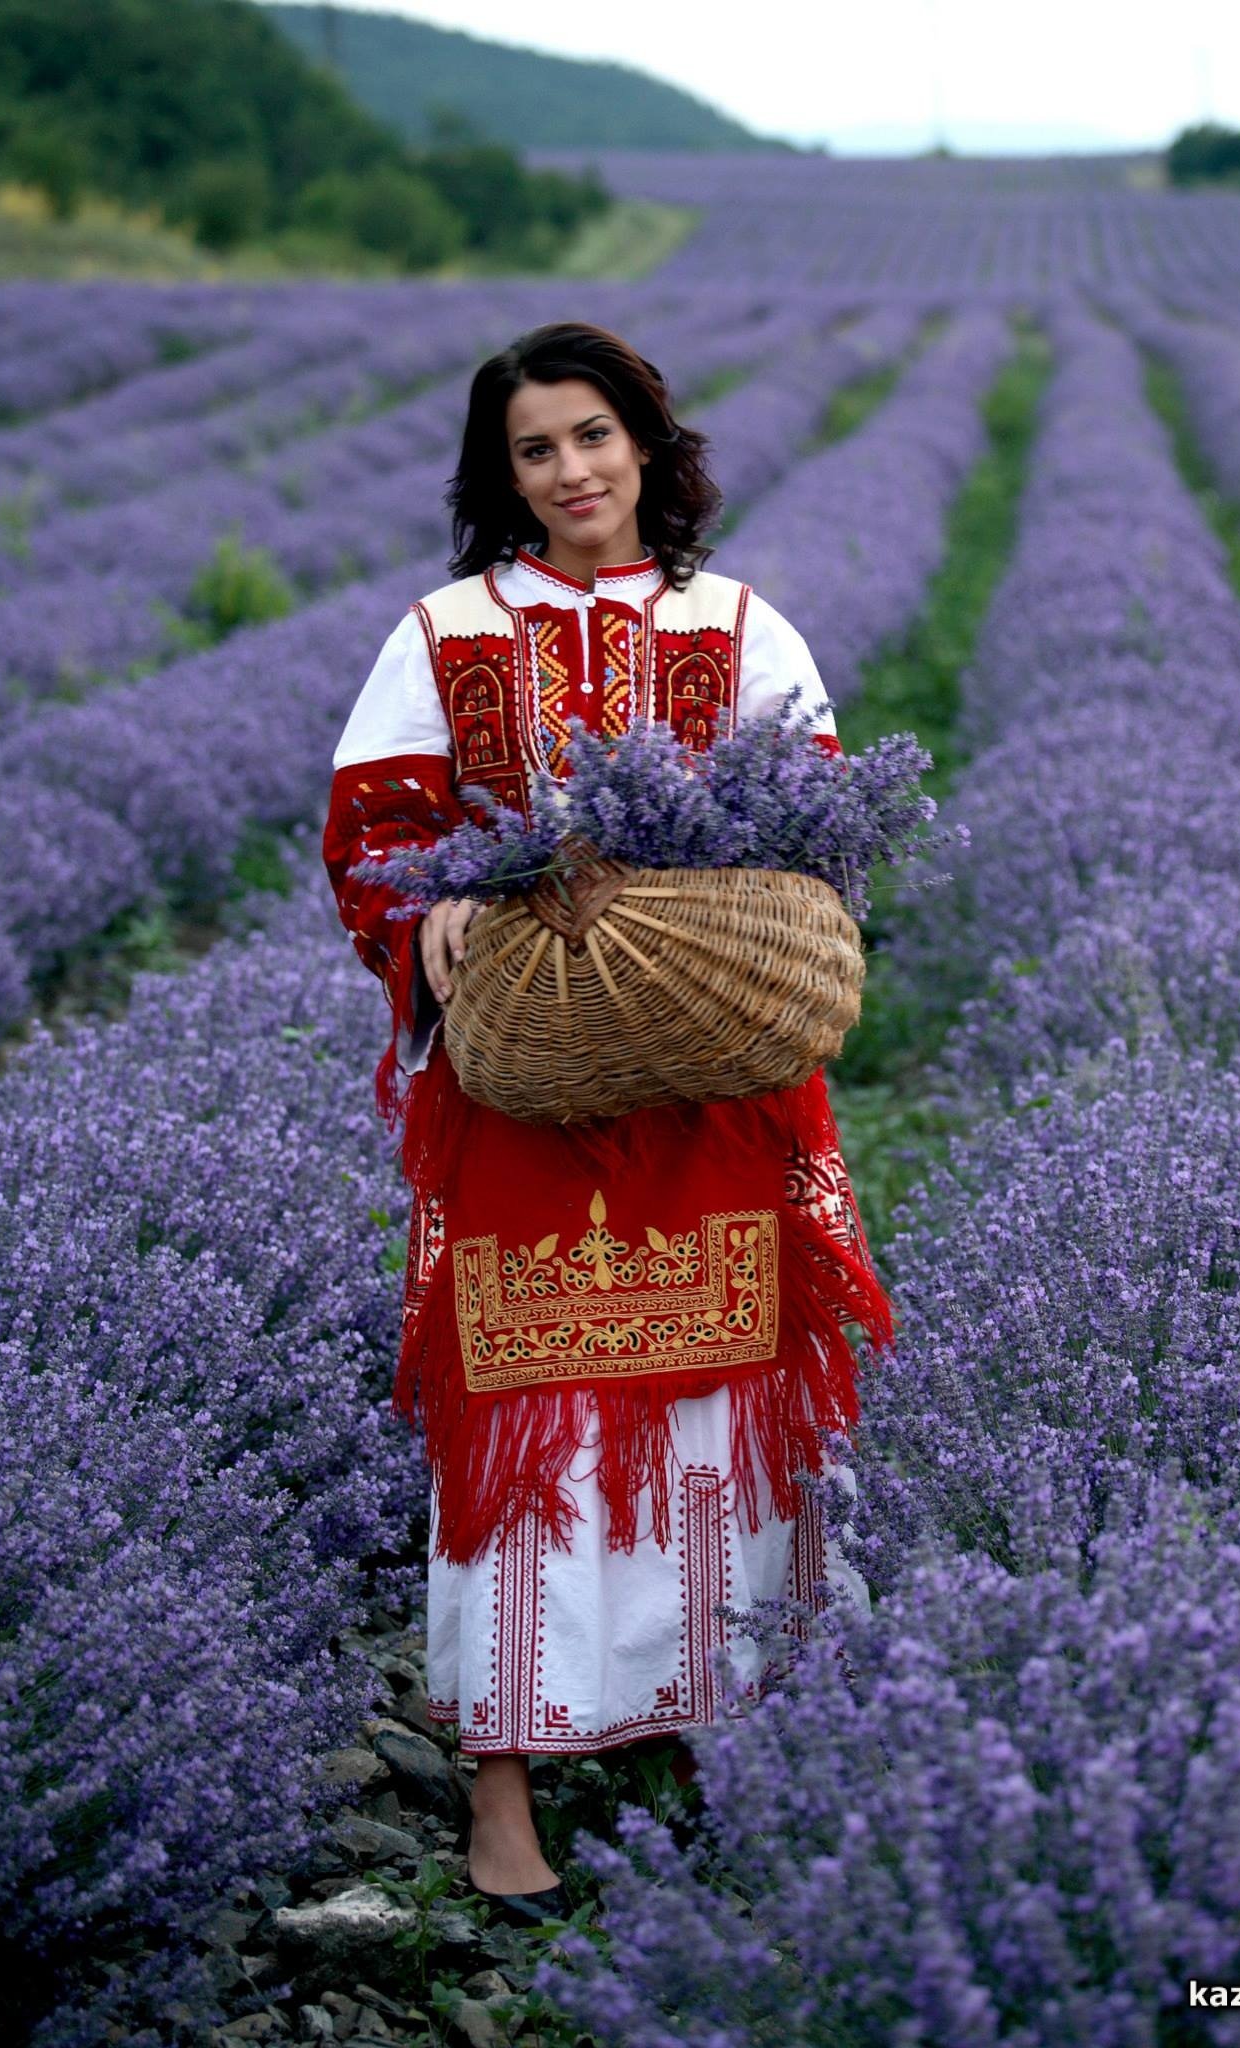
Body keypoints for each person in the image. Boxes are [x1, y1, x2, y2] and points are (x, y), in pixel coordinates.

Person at [322, 321, 893, 1924]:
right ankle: (504, 1782)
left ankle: (716, 1732)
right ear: (499, 476)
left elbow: (821, 823)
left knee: (719, 1395)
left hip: (714, 1085)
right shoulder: (444, 632)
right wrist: (425, 922)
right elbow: (373, 828)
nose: (570, 471)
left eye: (592, 436)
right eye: (533, 449)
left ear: (646, 443)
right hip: (521, 1091)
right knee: (522, 1404)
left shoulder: (739, 626)